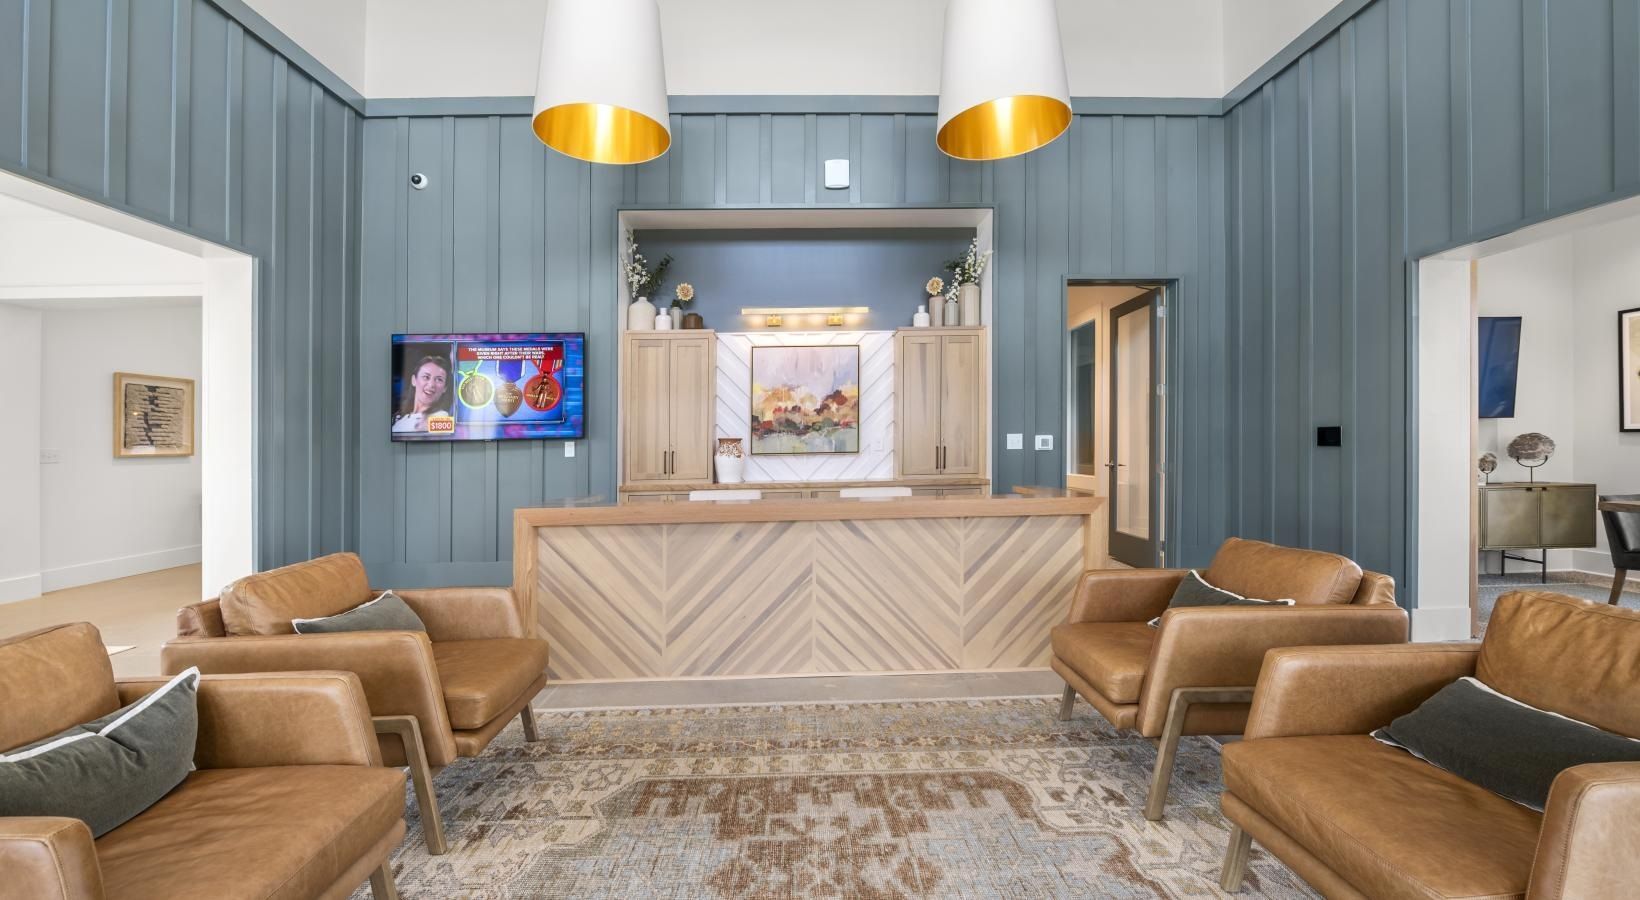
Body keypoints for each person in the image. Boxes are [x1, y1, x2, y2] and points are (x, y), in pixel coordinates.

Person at [392, 355, 452, 433]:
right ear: (414, 380)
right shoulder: (400, 418)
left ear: (445, 388)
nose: (431, 385)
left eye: (439, 379)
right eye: (426, 377)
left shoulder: (441, 417)